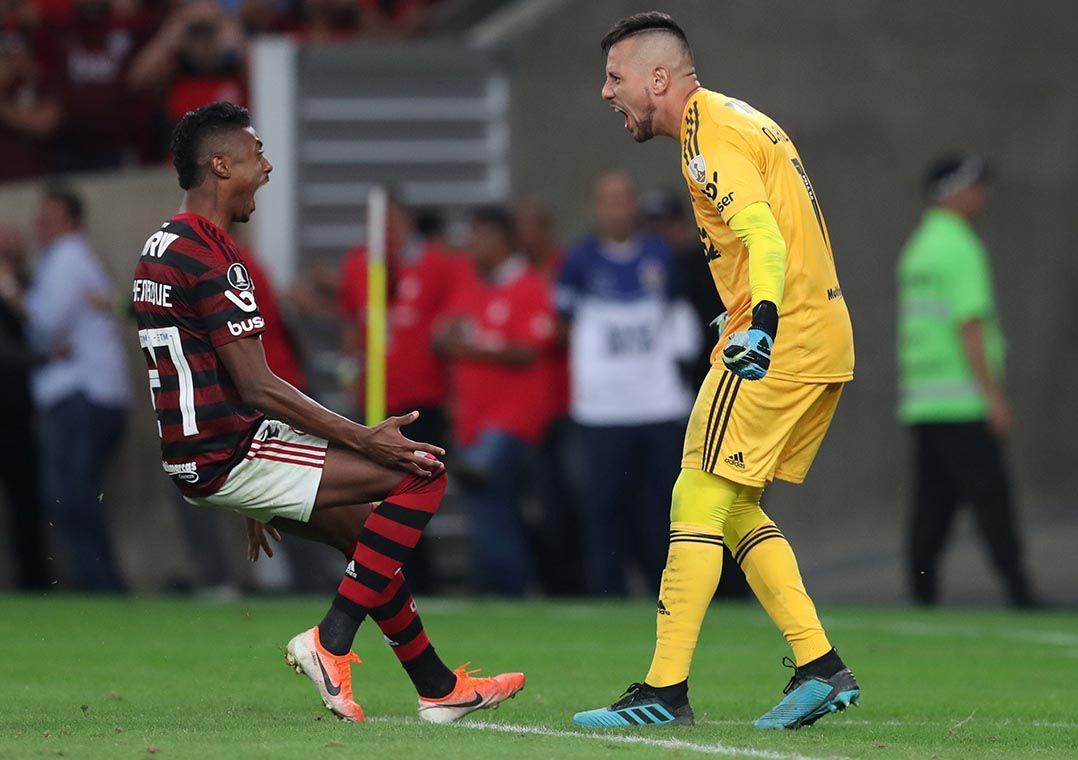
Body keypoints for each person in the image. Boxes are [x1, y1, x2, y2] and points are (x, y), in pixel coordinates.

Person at [130, 101, 522, 724]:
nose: (267, 165)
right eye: (256, 154)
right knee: (421, 471)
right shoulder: (214, 257)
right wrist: (364, 440)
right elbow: (258, 385)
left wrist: (255, 486)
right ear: (221, 163)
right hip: (228, 452)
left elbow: (202, 370)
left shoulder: (161, 246)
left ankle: (438, 688)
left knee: (361, 530)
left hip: (202, 453)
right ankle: (329, 640)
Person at [574, 12, 859, 729]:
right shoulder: (742, 119)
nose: (607, 93)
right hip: (820, 334)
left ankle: (664, 692)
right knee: (733, 508)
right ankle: (820, 666)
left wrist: (757, 323)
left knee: (696, 494)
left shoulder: (708, 137)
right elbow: (777, 229)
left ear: (658, 78)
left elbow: (762, 232)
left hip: (778, 339)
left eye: (616, 77)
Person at [897, 156, 1036, 608]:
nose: (982, 195)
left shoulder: (919, 248)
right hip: (962, 402)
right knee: (990, 498)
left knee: (932, 505)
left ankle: (921, 592)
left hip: (924, 403)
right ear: (952, 192)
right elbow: (969, 325)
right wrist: (993, 395)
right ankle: (1019, 590)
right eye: (975, 186)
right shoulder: (960, 248)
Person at [556, 170, 699, 597]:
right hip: (602, 409)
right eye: (608, 200)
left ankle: (671, 595)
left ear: (633, 206)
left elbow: (679, 322)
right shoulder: (578, 261)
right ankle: (607, 592)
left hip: (657, 404)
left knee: (662, 506)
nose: (617, 209)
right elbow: (562, 326)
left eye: (623, 199)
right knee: (603, 507)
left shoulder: (660, 256)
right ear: (595, 207)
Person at [338, 195, 461, 592]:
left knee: (410, 491)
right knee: (381, 496)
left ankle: (416, 579)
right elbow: (352, 323)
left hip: (420, 403)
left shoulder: (437, 265)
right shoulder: (358, 265)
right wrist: (349, 370)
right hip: (375, 403)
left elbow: (453, 323)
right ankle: (392, 578)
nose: (389, 233)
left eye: (396, 223)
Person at [433, 207, 557, 596]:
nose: (473, 246)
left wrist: (471, 347)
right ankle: (503, 583)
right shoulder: (470, 284)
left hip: (512, 418)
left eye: (480, 237)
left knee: (486, 488)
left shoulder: (529, 286)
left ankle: (506, 583)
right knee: (489, 500)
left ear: (502, 240)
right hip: (473, 419)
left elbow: (529, 349)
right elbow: (441, 335)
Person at [26, 187, 131, 592]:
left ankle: (102, 587)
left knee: (68, 495)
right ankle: (99, 585)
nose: (40, 226)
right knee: (74, 495)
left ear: (71, 221)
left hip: (81, 394)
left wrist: (13, 293)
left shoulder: (68, 257)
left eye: (48, 218)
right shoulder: (69, 259)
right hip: (89, 395)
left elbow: (45, 323)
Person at [0, 224, 50, 589]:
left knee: (26, 499)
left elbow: (39, 321)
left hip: (20, 412)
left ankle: (32, 578)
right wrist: (43, 358)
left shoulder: (27, 285)